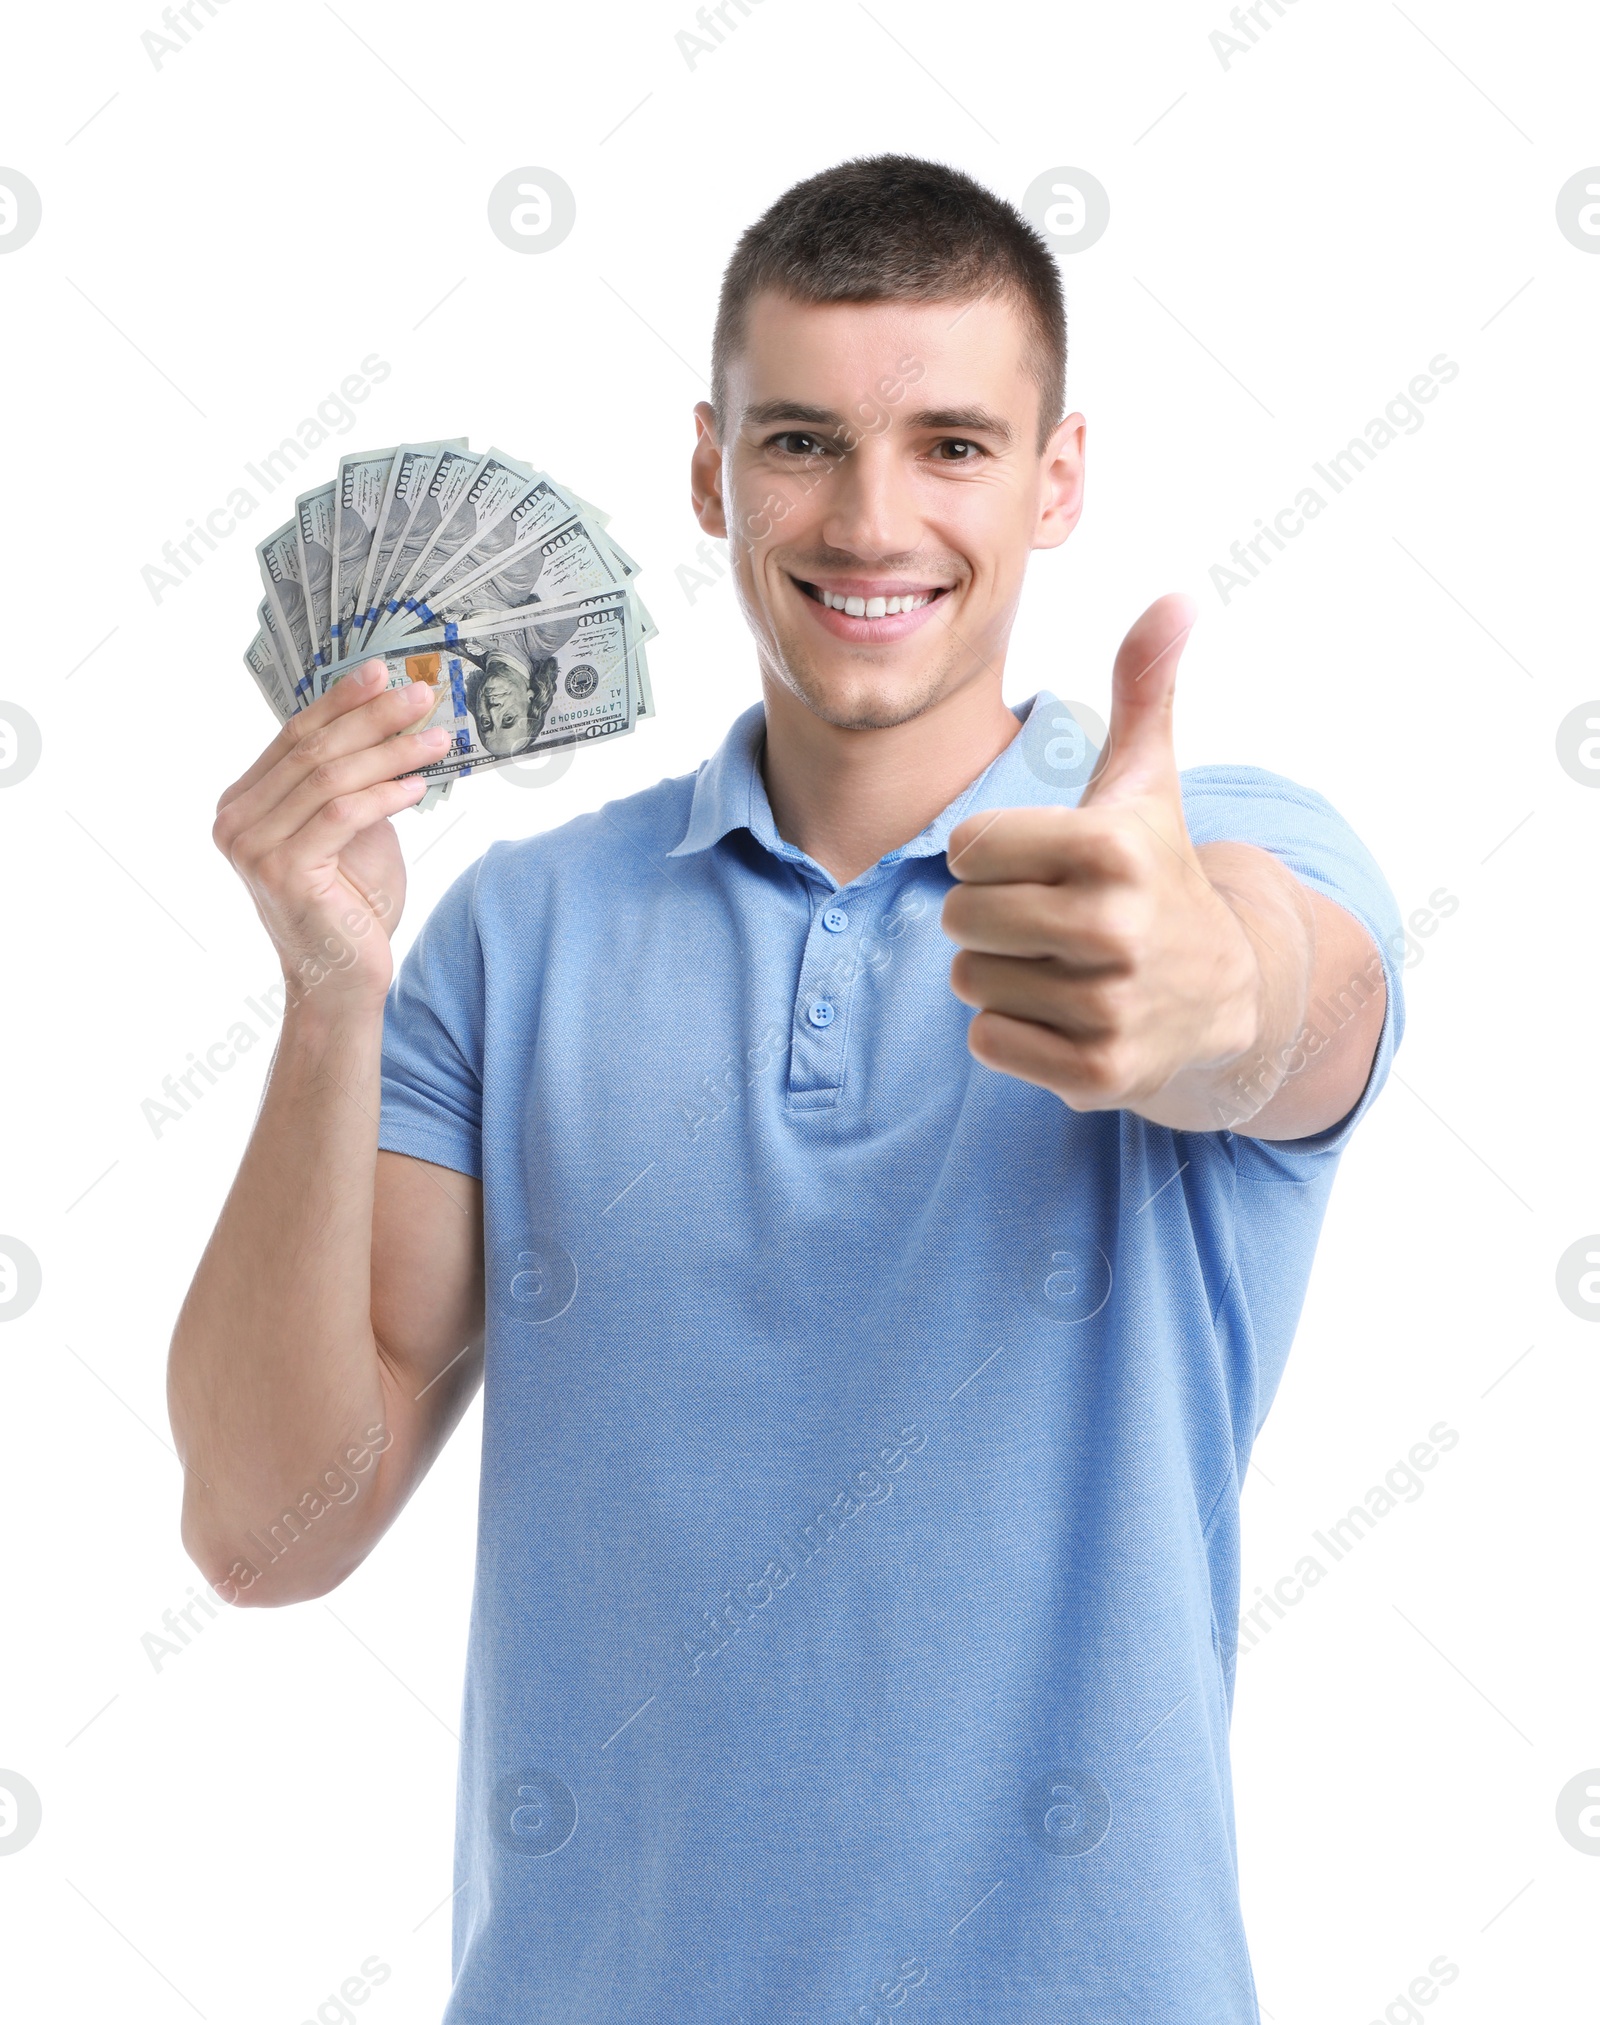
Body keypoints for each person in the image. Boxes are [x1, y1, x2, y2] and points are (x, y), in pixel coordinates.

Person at [175, 155, 1402, 2023]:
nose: (874, 517)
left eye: (958, 447)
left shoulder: (1206, 854)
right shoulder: (520, 933)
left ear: (1059, 475)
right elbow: (266, 1531)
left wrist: (1204, 995)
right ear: (710, 468)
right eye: (806, 440)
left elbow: (1283, 1009)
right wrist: (329, 998)